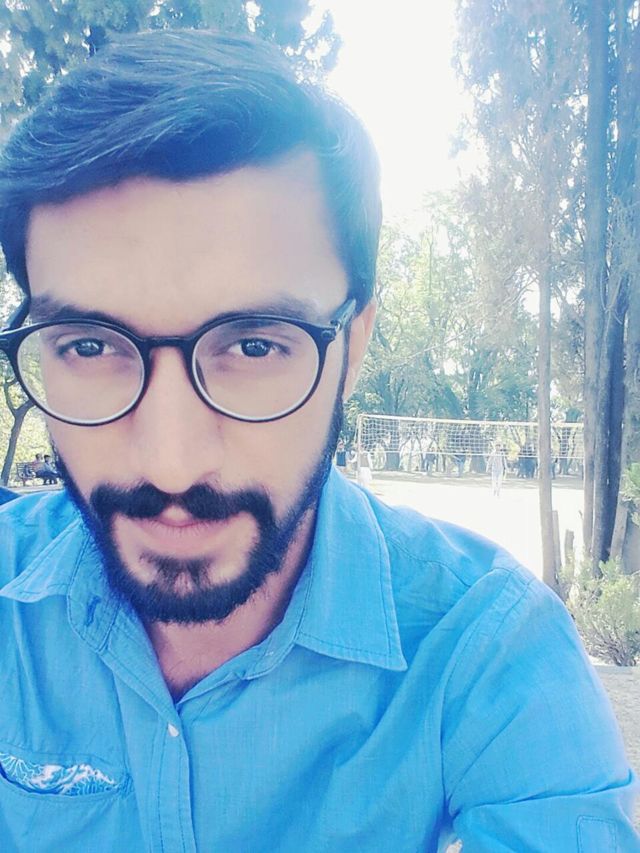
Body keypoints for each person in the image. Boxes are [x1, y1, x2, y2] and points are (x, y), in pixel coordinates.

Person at [0, 31, 637, 853]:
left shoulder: (484, 649)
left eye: (254, 345)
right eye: (89, 346)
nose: (170, 461)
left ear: (354, 346)